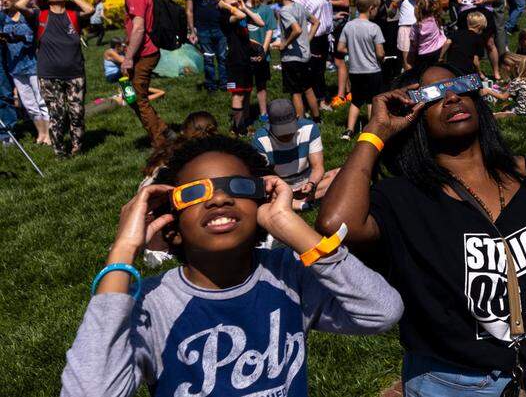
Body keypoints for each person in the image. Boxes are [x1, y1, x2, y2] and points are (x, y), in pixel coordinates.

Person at [316, 64, 526, 396]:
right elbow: (336, 225)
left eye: (459, 86)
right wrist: (376, 130)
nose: (451, 97)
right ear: (412, 114)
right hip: (456, 383)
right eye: (431, 95)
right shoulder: (405, 199)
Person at [61, 135, 402, 397]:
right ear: (172, 228)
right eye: (194, 193)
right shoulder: (150, 304)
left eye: (238, 187)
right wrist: (123, 250)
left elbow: (380, 311)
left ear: (262, 205)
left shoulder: (288, 274)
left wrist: (292, 226)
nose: (219, 198)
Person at [14, 0, 93, 156]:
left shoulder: (74, 15)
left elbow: (90, 10)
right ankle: (59, 150)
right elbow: (19, 5)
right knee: (57, 114)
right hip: (49, 75)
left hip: (75, 73)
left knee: (77, 113)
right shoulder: (39, 15)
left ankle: (77, 148)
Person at [112, 0, 171, 145]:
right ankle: (162, 130)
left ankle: (160, 142)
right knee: (130, 96)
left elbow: (139, 28)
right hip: (139, 53)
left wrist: (127, 59)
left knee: (138, 98)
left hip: (144, 54)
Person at [253, 99, 340, 211]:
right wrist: (283, 189)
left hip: (308, 181)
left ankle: (293, 203)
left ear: (298, 118)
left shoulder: (310, 128)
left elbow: (318, 166)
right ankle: (303, 201)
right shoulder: (260, 139)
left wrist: (311, 184)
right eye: (281, 131)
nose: (286, 135)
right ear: (269, 123)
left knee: (342, 173)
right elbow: (263, 176)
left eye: (289, 129)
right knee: (259, 190)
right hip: (281, 187)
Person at [1, 0, 49, 145]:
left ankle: (49, 134)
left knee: (41, 100)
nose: (4, 0)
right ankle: (40, 133)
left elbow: (30, 37)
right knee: (28, 103)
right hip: (15, 65)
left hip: (33, 63)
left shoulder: (28, 14)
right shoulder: (3, 17)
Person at [270, 0, 321, 123]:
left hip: (292, 58)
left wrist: (284, 43)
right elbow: (316, 22)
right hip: (305, 56)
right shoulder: (299, 6)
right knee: (308, 88)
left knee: (296, 92)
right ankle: (317, 118)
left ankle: (299, 122)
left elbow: (296, 30)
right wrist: (308, 39)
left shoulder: (284, 11)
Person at [217, 0, 265, 136]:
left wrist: (245, 7)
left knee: (246, 93)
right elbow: (240, 16)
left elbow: (261, 22)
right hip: (235, 61)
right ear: (221, 1)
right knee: (238, 94)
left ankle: (242, 125)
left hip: (246, 59)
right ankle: (238, 129)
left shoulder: (241, 11)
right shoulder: (225, 16)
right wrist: (225, 6)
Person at [338, 0, 386, 140]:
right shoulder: (374, 28)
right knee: (372, 100)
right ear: (371, 8)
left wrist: (353, 51)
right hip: (372, 70)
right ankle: (370, 130)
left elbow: (340, 48)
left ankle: (349, 130)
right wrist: (381, 57)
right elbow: (380, 52)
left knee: (356, 100)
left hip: (355, 70)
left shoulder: (349, 26)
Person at [294, 0, 334, 108]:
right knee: (313, 72)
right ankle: (315, 102)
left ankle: (321, 98)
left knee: (320, 70)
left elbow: (319, 9)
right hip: (312, 37)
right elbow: (298, 14)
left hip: (323, 37)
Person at [237, 0, 276, 124]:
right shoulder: (238, 9)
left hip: (261, 55)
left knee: (261, 85)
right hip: (244, 55)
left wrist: (263, 51)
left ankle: (263, 113)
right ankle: (245, 115)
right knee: (245, 87)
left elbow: (269, 30)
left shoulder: (265, 9)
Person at [185, 0, 228, 93]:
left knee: (223, 57)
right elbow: (189, 10)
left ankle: (224, 84)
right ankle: (211, 86)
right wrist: (192, 30)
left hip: (220, 28)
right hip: (203, 29)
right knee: (208, 58)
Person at [327, 0, 354, 109]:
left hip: (341, 24)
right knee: (340, 60)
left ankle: (341, 95)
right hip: (333, 23)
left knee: (339, 60)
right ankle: (349, 91)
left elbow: (345, 2)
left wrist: (326, 1)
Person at [444, 10, 489, 77]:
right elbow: (475, 61)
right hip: (465, 70)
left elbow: (447, 42)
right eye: (483, 29)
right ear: (479, 27)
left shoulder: (457, 33)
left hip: (450, 66)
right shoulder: (479, 39)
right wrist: (480, 73)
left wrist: (441, 58)